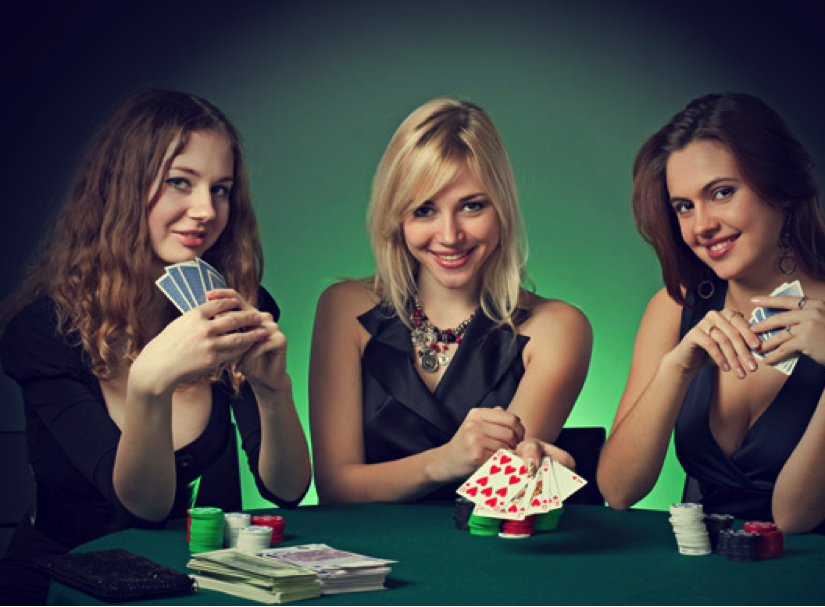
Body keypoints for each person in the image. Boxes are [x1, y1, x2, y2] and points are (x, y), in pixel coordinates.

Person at [0, 89, 311, 603]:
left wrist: (274, 390)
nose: (205, 210)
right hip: (60, 581)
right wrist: (150, 384)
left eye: (221, 189)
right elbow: (141, 506)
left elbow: (287, 489)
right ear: (123, 188)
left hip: (182, 582)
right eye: (179, 183)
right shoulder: (44, 330)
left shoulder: (233, 306)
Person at [596, 92, 825, 552]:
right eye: (684, 206)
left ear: (779, 190)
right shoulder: (673, 308)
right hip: (712, 577)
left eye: (721, 193)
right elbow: (618, 491)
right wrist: (675, 369)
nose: (701, 224)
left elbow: (794, 516)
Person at [309, 98, 592, 504]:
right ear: (396, 218)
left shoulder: (558, 327)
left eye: (472, 206)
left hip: (488, 554)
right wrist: (442, 462)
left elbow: (502, 493)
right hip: (364, 560)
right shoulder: (344, 307)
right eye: (424, 210)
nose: (450, 235)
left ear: (503, 209)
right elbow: (336, 491)